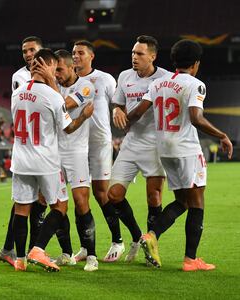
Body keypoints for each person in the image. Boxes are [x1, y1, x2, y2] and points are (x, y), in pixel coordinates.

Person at [126, 39, 233, 271]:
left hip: (164, 150)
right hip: (186, 149)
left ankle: (151, 235)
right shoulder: (196, 84)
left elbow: (136, 113)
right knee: (197, 202)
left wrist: (121, 117)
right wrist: (222, 135)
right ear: (195, 64)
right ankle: (191, 260)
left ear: (174, 60)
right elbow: (196, 118)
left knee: (182, 201)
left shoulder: (157, 84)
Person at [10, 48, 94, 272]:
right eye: (53, 67)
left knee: (21, 209)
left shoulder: (16, 93)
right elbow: (68, 128)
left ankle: (20, 260)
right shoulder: (52, 96)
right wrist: (84, 116)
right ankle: (38, 249)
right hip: (45, 160)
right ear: (47, 66)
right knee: (60, 206)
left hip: (20, 158)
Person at [108, 35, 169, 262]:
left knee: (154, 197)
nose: (134, 57)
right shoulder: (125, 76)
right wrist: (116, 110)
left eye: (140, 54)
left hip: (155, 144)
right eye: (133, 53)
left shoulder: (164, 78)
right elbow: (118, 102)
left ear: (152, 56)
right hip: (131, 142)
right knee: (113, 194)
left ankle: (151, 246)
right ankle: (136, 236)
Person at [72, 40, 122, 263]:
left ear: (91, 56)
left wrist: (117, 111)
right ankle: (85, 246)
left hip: (100, 142)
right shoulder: (66, 79)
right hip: (76, 144)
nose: (76, 56)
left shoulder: (105, 79)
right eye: (73, 53)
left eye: (80, 53)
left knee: (101, 193)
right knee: (79, 195)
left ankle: (117, 240)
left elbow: (119, 103)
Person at [0, 36, 45, 267]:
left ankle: (20, 249)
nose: (28, 54)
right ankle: (27, 251)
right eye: (25, 50)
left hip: (43, 146)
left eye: (32, 50)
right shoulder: (20, 77)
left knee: (32, 201)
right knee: (30, 201)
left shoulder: (50, 71)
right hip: (30, 145)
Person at [51, 49, 98, 270]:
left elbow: (62, 105)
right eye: (55, 69)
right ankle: (66, 253)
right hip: (53, 152)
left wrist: (50, 88)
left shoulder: (86, 86)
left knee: (81, 201)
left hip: (76, 151)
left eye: (60, 69)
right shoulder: (54, 84)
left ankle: (92, 256)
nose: (56, 73)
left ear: (72, 68)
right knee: (57, 203)